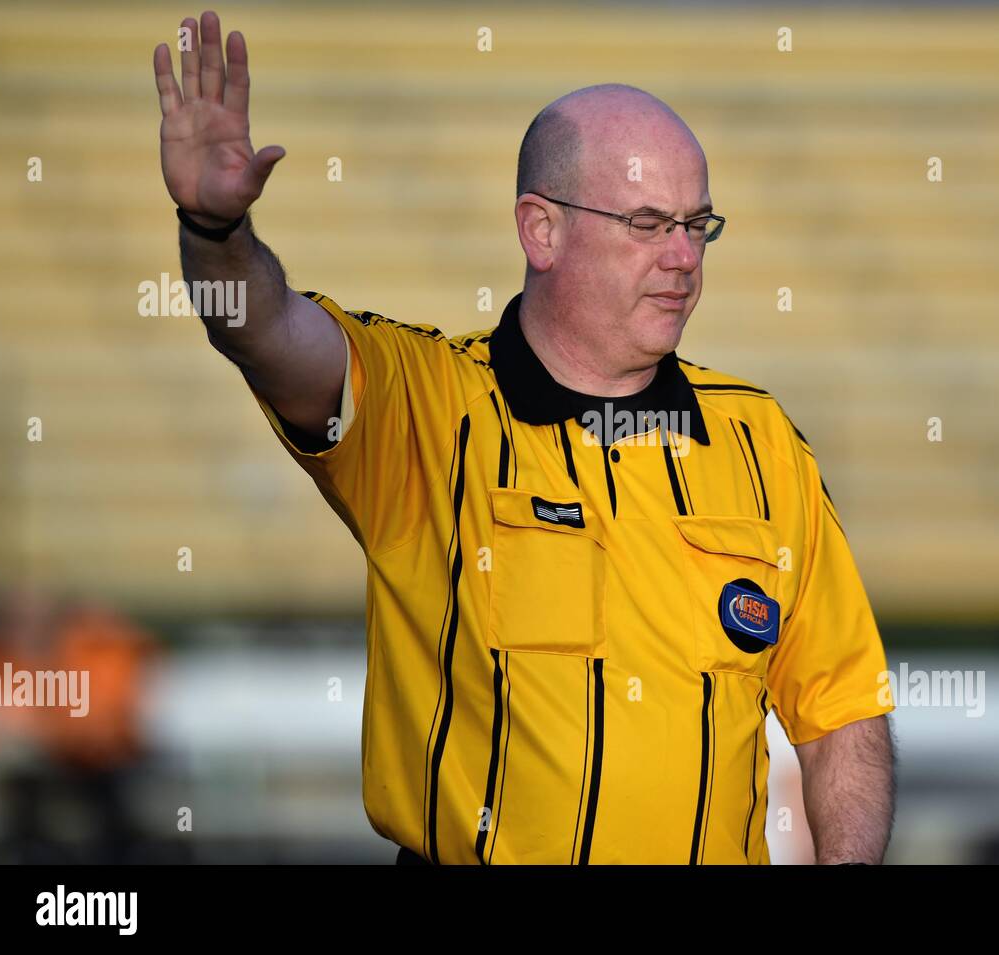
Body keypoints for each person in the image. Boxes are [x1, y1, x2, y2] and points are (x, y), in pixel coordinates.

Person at [153, 10, 896, 864]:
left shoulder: (762, 441)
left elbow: (842, 709)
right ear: (541, 229)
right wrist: (215, 233)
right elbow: (260, 331)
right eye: (649, 224)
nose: (684, 258)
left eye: (698, 225)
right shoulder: (427, 408)